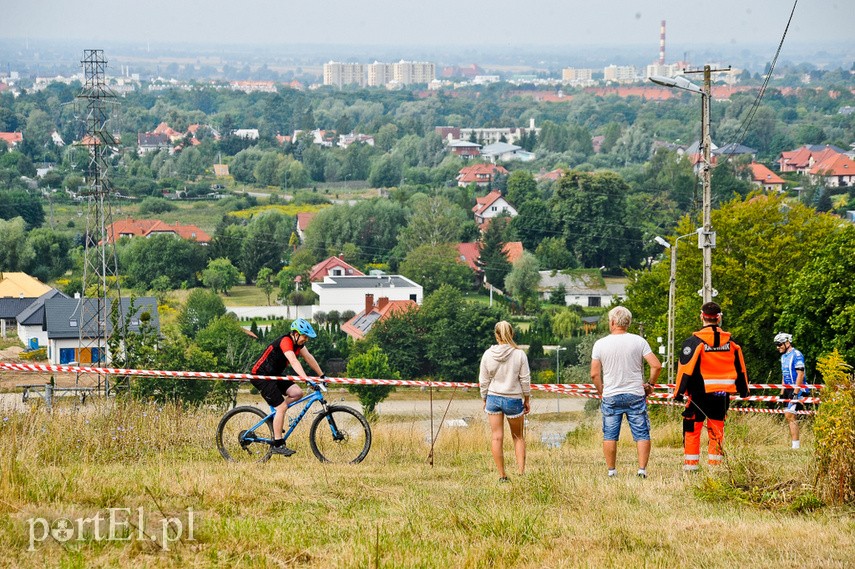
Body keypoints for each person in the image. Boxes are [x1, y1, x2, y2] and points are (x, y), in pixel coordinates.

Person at [674, 302, 748, 471]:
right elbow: (741, 368)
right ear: (719, 318)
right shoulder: (732, 343)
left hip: (699, 394)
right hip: (721, 395)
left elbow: (685, 369)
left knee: (692, 429)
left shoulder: (693, 342)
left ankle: (691, 467)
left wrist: (678, 393)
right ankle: (716, 468)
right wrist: (744, 390)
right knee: (716, 431)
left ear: (702, 316)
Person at [590, 306, 662, 479]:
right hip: (635, 394)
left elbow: (594, 373)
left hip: (611, 394)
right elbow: (656, 365)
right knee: (642, 433)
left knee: (610, 434)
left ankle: (611, 471)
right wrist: (650, 384)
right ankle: (642, 470)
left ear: (613, 322)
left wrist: (602, 391)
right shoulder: (639, 342)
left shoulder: (600, 344)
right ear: (628, 323)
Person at [250, 318, 325, 456]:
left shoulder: (298, 344)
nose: (306, 339)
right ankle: (277, 444)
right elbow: (294, 361)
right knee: (282, 407)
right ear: (295, 334)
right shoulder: (286, 341)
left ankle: (277, 417)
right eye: (304, 336)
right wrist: (306, 379)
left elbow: (309, 358)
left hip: (275, 375)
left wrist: (321, 375)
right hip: (261, 376)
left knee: (297, 392)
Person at [479, 321, 531, 482]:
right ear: (512, 334)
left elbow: (483, 379)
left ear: (496, 335)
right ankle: (521, 472)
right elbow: (525, 379)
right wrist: (527, 398)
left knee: (496, 437)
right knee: (518, 437)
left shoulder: (488, 354)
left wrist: (484, 398)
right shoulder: (519, 354)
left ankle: (502, 475)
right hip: (513, 399)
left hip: (493, 398)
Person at [775, 332, 807, 449]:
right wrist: (782, 393)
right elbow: (784, 376)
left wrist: (795, 393)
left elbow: (800, 374)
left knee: (790, 414)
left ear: (787, 342)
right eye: (777, 345)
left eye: (779, 344)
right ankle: (794, 444)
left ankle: (795, 446)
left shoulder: (797, 354)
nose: (778, 347)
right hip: (788, 389)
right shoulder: (783, 357)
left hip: (798, 388)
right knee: (788, 416)